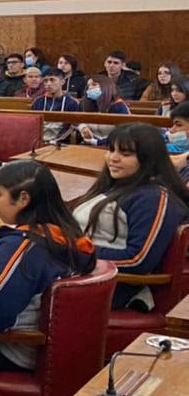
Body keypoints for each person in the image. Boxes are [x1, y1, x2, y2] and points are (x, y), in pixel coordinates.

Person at [0, 161, 97, 371]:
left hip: (11, 350)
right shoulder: (68, 234)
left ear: (23, 199)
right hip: (57, 349)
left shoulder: (22, 246)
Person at [73, 124, 189, 309]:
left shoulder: (152, 197)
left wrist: (74, 251)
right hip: (77, 272)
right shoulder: (114, 186)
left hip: (106, 286)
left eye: (125, 154)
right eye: (111, 150)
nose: (113, 158)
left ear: (148, 159)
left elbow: (138, 260)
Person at [33, 69, 82, 144]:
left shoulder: (72, 103)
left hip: (61, 143)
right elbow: (34, 125)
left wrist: (56, 141)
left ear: (62, 82)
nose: (48, 84)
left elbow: (72, 127)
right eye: (45, 81)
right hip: (39, 142)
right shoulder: (38, 101)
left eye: (52, 80)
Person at [77, 76, 130, 145]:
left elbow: (123, 133)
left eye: (94, 84)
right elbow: (77, 120)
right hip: (89, 144)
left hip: (112, 145)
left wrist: (96, 142)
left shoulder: (119, 106)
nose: (89, 88)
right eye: (88, 86)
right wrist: (83, 127)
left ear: (106, 86)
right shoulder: (86, 104)